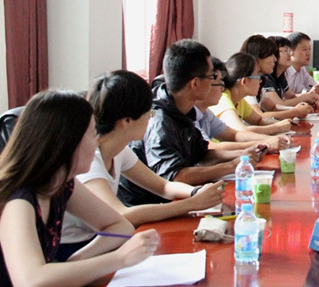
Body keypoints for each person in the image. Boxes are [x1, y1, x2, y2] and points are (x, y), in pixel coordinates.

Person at [58, 71, 226, 260]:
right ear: (127, 121)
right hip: (75, 249)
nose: (151, 119)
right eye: (149, 113)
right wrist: (192, 204)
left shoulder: (119, 150)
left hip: (103, 240)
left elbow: (163, 186)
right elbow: (121, 215)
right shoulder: (90, 159)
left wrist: (196, 192)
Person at [0, 90, 159, 286]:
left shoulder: (62, 183)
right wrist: (120, 258)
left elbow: (120, 226)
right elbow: (31, 281)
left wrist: (77, 260)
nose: (97, 142)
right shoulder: (18, 199)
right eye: (93, 134)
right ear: (67, 142)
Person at [119, 39, 266, 206]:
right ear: (195, 83)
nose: (219, 84)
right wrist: (230, 166)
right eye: (212, 76)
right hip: (149, 207)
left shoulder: (185, 110)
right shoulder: (160, 122)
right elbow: (175, 176)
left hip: (177, 200)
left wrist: (243, 155)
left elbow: (203, 154)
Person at [209, 52, 294, 137]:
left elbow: (258, 120)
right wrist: (276, 128)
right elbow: (241, 131)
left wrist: (279, 123)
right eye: (258, 76)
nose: (260, 81)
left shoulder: (240, 100)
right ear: (244, 81)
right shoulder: (223, 100)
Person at [240, 34, 315, 119]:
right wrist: (295, 111)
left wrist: (299, 109)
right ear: (257, 59)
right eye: (270, 55)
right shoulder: (248, 84)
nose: (274, 59)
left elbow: (273, 107)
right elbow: (260, 117)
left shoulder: (260, 81)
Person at [286, 32, 319, 96]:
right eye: (304, 49)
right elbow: (284, 98)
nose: (308, 53)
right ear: (290, 52)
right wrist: (308, 95)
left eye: (309, 49)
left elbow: (314, 86)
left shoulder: (302, 69)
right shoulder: (284, 71)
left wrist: (317, 89)